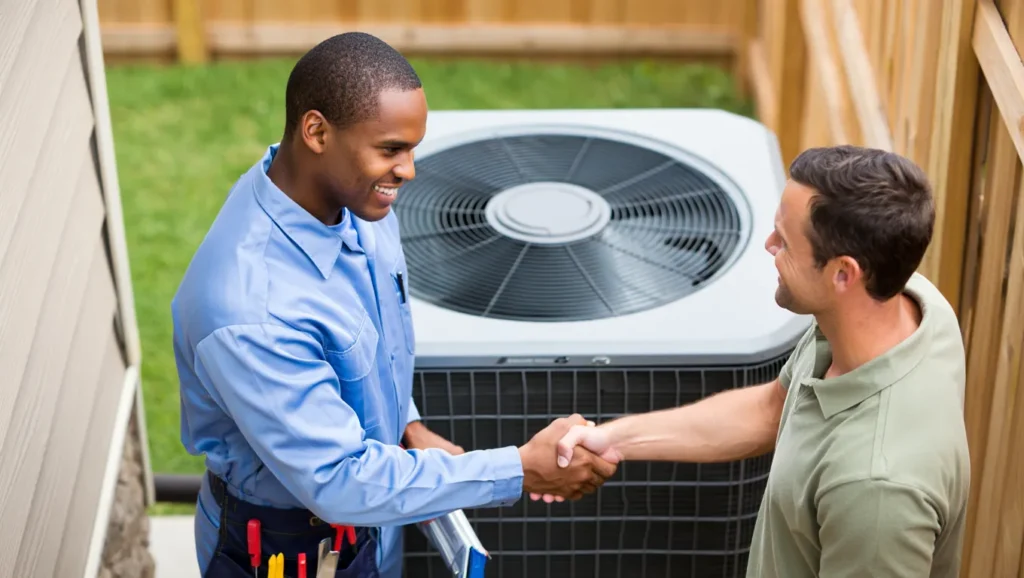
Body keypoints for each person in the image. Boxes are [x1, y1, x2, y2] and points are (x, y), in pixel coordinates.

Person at [171, 32, 617, 578]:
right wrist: (521, 469)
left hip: (365, 521)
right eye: (390, 150)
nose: (407, 171)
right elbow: (339, 480)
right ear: (316, 132)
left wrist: (405, 425)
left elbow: (370, 341)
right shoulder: (251, 311)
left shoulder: (350, 202)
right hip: (282, 551)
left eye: (411, 149)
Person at [551, 146, 971, 577]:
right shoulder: (908, 309)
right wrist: (615, 439)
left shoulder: (874, 492)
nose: (768, 245)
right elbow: (772, 410)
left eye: (784, 241)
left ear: (843, 273)